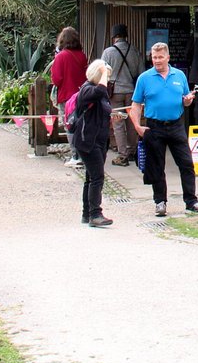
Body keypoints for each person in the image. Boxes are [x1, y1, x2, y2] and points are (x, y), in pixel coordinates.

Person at [128, 41, 198, 218]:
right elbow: (136, 104)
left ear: (168, 57)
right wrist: (137, 126)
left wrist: (187, 101)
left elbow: (186, 99)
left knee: (186, 163)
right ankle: (160, 202)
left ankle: (191, 201)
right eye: (154, 57)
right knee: (156, 166)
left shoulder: (179, 76)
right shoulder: (144, 78)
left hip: (176, 124)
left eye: (160, 57)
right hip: (154, 126)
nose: (157, 60)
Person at [72, 60, 115, 229]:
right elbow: (100, 90)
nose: (108, 80)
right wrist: (103, 71)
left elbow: (101, 108)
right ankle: (95, 214)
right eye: (106, 76)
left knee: (90, 177)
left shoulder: (99, 92)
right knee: (97, 177)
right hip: (87, 140)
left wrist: (112, 116)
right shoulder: (87, 89)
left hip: (99, 139)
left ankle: (86, 213)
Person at [100, 24, 142, 166]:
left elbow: (102, 72)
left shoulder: (108, 52)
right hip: (131, 91)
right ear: (126, 36)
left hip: (115, 91)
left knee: (118, 123)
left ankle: (122, 155)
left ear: (114, 37)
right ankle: (132, 150)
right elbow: (141, 72)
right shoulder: (134, 51)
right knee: (131, 122)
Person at [50, 26, 89, 167]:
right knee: (81, 125)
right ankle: (84, 154)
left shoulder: (61, 57)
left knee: (70, 125)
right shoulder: (82, 55)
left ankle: (75, 155)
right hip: (82, 95)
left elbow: (56, 79)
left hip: (67, 96)